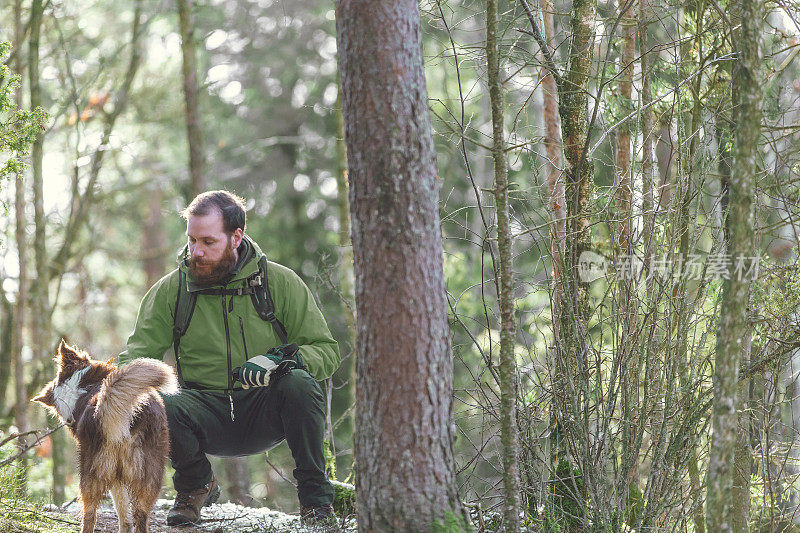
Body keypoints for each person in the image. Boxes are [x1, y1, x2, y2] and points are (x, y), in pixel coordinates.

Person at [119, 190, 341, 526]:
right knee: (150, 396)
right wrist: (108, 389)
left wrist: (281, 360)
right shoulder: (171, 291)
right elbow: (135, 358)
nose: (197, 251)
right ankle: (196, 485)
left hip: (265, 411)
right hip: (201, 413)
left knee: (300, 383)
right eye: (192, 240)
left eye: (208, 241)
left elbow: (327, 351)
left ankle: (316, 503)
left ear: (236, 237)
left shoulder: (279, 283)